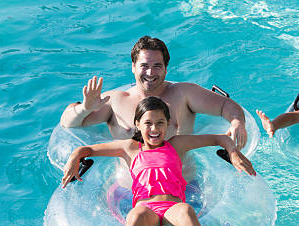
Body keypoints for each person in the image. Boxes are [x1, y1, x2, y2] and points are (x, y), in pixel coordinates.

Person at [61, 96, 256, 226]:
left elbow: (220, 138)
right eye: (148, 123)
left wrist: (233, 153)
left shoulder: (177, 144)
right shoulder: (130, 148)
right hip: (146, 208)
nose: (154, 128)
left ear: (169, 124)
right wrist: (75, 157)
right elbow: (87, 149)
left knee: (187, 211)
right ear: (137, 124)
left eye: (160, 123)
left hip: (173, 205)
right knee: (135, 215)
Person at [60, 36, 248, 149]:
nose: (150, 73)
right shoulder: (115, 101)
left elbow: (226, 105)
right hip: (129, 189)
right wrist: (84, 108)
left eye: (157, 66)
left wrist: (237, 122)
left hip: (183, 184)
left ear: (166, 68)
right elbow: (68, 123)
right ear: (133, 67)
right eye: (144, 66)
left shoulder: (184, 94)